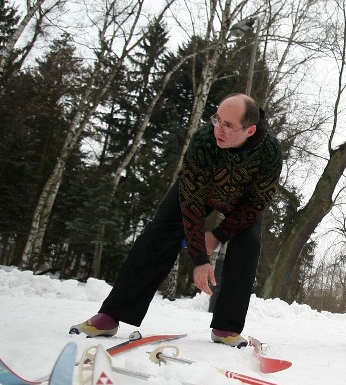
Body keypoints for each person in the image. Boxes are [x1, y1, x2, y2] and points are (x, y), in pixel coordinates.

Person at [71, 93, 283, 348]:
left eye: (228, 125)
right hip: (201, 192)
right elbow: (191, 204)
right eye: (217, 120)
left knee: (248, 242)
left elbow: (257, 203)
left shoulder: (270, 152)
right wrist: (199, 259)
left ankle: (226, 326)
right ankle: (112, 314)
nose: (219, 129)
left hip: (243, 204)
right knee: (159, 232)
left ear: (249, 130)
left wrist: (218, 235)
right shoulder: (205, 140)